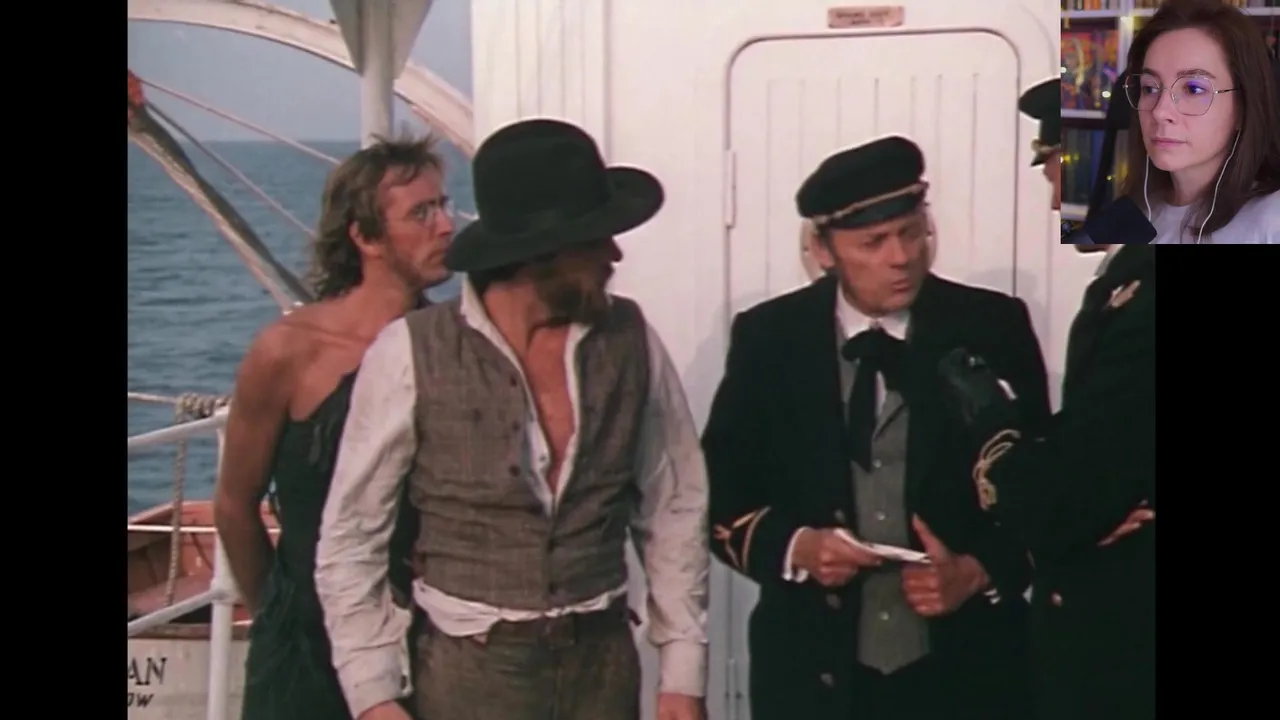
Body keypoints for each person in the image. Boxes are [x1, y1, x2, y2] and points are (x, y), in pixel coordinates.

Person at [314, 118, 710, 720]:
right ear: (538, 256)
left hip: (601, 671)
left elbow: (674, 504)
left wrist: (682, 671)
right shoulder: (411, 351)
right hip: (467, 677)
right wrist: (373, 695)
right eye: (594, 239)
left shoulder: (630, 339)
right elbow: (352, 533)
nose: (614, 253)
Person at [702, 135, 1051, 720]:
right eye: (874, 242)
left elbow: (1044, 488)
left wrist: (976, 572)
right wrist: (797, 546)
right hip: (812, 676)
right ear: (822, 249)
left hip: (968, 671)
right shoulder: (769, 338)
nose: (902, 257)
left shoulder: (991, 325)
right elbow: (721, 492)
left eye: (913, 233)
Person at [933, 81, 1159, 720]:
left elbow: (1065, 507)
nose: (1054, 195)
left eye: (1056, 166)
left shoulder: (1143, 293)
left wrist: (995, 430)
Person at [211, 135, 456, 720]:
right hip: (303, 647)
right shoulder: (290, 352)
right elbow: (235, 505)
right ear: (365, 237)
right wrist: (278, 616)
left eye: (444, 205)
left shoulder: (455, 346)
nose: (446, 226)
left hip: (422, 641)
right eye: (421, 213)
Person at [1120, 0, 1279, 244]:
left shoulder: (1271, 221)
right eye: (1149, 88)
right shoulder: (1132, 213)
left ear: (1243, 107)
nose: (1160, 112)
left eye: (1193, 89)